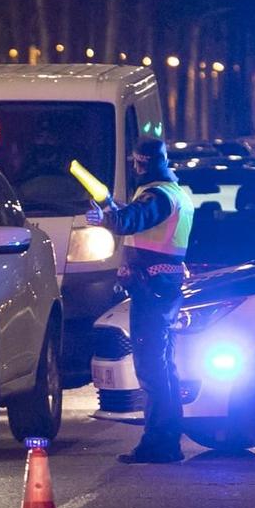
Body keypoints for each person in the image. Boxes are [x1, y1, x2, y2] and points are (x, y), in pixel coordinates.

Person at [87, 141, 195, 463]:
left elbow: (131, 220)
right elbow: (138, 217)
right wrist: (114, 208)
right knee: (163, 368)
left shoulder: (158, 196)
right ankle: (166, 441)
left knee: (150, 368)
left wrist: (107, 216)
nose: (135, 168)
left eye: (138, 163)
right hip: (162, 288)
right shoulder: (174, 194)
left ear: (147, 163)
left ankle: (159, 444)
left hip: (152, 290)